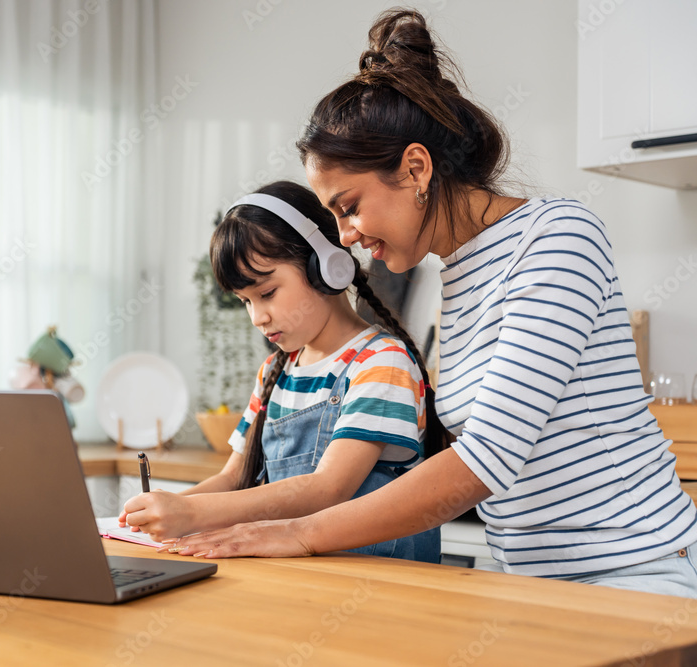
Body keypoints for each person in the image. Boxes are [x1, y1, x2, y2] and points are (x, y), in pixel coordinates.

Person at [161, 8, 697, 597]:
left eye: (348, 206)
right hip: (538, 583)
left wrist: (300, 532)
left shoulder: (557, 237)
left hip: (640, 571)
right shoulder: (458, 272)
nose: (344, 236)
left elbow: (483, 460)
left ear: (416, 168)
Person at [120, 179, 445, 562]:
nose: (258, 317)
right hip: (302, 577)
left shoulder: (382, 362)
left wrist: (190, 513)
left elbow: (328, 489)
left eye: (268, 293)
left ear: (327, 268)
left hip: (375, 580)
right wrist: (149, 514)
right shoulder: (275, 370)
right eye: (246, 301)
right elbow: (233, 478)